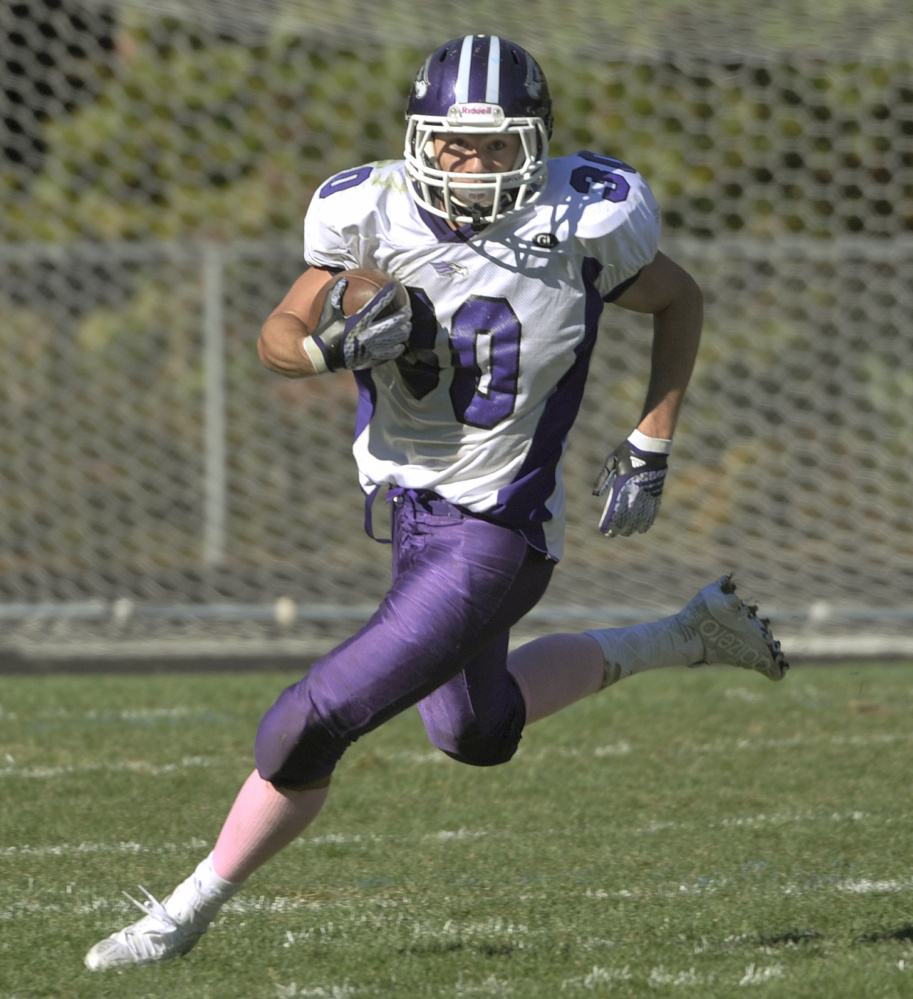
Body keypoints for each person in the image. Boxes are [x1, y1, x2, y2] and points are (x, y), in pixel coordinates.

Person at [85, 34, 788, 971]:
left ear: (534, 143)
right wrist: (325, 349)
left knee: (308, 720)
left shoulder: (580, 219)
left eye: (496, 147)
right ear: (420, 139)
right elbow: (278, 330)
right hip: (413, 516)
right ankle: (686, 634)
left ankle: (178, 916)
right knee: (473, 731)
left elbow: (678, 297)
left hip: (497, 530)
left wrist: (650, 438)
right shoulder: (367, 211)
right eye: (454, 145)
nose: (473, 166)